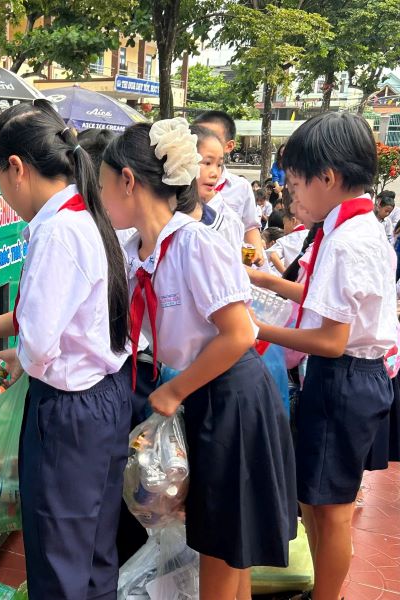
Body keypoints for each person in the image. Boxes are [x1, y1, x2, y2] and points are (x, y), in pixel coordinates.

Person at [0, 100, 133, 600]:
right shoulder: (84, 215)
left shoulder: (56, 232)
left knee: (57, 559)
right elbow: (49, 321)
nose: (0, 192)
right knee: (92, 553)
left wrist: (24, 358)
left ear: (16, 168)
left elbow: (40, 344)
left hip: (68, 415)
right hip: (104, 401)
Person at [100, 118, 296, 600]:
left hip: (231, 395)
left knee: (222, 539)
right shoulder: (137, 249)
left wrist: (174, 388)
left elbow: (238, 334)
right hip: (201, 392)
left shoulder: (194, 243)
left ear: (129, 181)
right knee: (217, 534)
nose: (100, 199)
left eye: (103, 186)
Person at [250, 112, 396, 600]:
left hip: (344, 377)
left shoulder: (347, 241)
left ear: (328, 178)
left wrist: (254, 328)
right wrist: (269, 281)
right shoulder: (352, 226)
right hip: (347, 376)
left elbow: (333, 338)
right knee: (314, 499)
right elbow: (326, 302)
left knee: (330, 509)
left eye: (294, 184)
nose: (291, 196)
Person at [75, 124, 152, 566]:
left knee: (128, 494)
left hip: (136, 378)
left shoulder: (123, 240)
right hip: (123, 376)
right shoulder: (113, 237)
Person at [194, 111, 266, 265]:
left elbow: (250, 226)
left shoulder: (240, 187)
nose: (204, 141)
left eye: (212, 136)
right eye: (198, 136)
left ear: (229, 146)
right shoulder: (176, 187)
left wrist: (257, 250)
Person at [189, 124, 245, 252]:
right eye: (207, 163)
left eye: (219, 164)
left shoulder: (227, 222)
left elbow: (231, 267)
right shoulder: (163, 208)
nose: (215, 173)